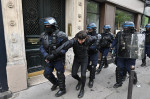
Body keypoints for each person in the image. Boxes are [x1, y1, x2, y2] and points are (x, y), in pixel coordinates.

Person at [52, 30, 101, 98]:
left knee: (83, 74)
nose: (80, 42)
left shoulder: (89, 39)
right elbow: (64, 45)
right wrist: (55, 52)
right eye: (79, 40)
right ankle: (80, 80)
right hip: (77, 59)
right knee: (73, 74)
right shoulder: (74, 41)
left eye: (82, 40)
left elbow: (97, 37)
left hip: (84, 58)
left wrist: (96, 44)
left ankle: (82, 89)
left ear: (85, 38)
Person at [40, 17, 68, 97]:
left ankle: (62, 89)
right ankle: (56, 83)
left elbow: (65, 48)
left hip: (58, 59)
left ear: (53, 26)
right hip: (49, 59)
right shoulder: (43, 35)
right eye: (45, 26)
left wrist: (56, 54)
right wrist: (46, 55)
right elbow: (41, 47)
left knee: (60, 73)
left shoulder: (61, 35)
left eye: (48, 26)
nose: (46, 28)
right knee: (47, 73)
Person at [111, 21, 138, 88]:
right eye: (124, 27)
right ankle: (119, 82)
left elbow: (139, 45)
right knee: (119, 68)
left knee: (130, 69)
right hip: (121, 54)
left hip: (131, 55)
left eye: (126, 28)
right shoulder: (120, 33)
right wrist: (111, 46)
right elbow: (115, 40)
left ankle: (134, 78)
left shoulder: (135, 35)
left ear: (130, 28)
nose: (124, 29)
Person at [86, 23, 101, 88]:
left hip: (94, 53)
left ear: (94, 29)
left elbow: (95, 46)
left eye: (90, 28)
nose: (89, 29)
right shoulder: (86, 35)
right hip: (87, 53)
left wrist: (87, 47)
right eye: (88, 28)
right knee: (86, 65)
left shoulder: (98, 36)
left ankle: (91, 79)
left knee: (93, 66)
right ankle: (93, 72)